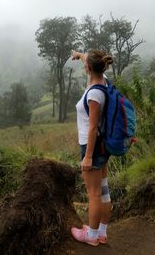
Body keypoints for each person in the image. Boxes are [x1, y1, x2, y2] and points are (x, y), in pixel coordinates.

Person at [70, 49, 113, 246]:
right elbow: (93, 60)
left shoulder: (94, 93)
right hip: (102, 145)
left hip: (92, 146)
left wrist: (87, 157)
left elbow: (93, 127)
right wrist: (80, 55)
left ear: (88, 68)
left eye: (85, 62)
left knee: (94, 193)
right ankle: (101, 232)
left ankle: (92, 236)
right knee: (103, 190)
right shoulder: (103, 81)